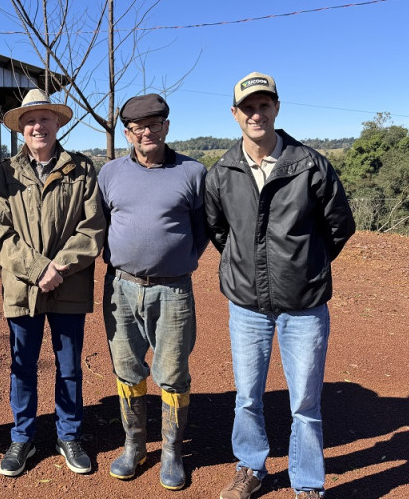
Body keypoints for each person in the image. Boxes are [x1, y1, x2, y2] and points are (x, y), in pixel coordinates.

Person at [206, 72, 356, 499]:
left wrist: (304, 266)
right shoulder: (222, 173)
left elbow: (338, 226)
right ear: (235, 114)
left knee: (305, 403)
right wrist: (249, 267)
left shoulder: (310, 164)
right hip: (246, 305)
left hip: (304, 304)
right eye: (248, 107)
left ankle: (307, 483)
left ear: (276, 108)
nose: (257, 114)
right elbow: (219, 231)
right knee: (247, 396)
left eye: (264, 105)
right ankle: (251, 468)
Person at [0, 89, 106, 477]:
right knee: (22, 365)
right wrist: (38, 269)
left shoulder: (83, 169)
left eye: (45, 119)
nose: (38, 126)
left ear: (58, 123)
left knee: (69, 365)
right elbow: (0, 232)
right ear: (21, 128)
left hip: (69, 286)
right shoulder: (5, 173)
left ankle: (68, 434)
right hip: (23, 288)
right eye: (30, 121)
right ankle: (22, 437)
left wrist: (59, 267)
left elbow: (92, 229)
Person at [97, 94, 208, 490]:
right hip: (121, 286)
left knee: (173, 372)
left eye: (154, 123)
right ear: (127, 132)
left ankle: (173, 452)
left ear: (166, 126)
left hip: (173, 290)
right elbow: (104, 222)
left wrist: (179, 260)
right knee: (127, 367)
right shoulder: (109, 173)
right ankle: (135, 445)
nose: (146, 131)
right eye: (137, 126)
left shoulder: (193, 172)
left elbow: (202, 228)